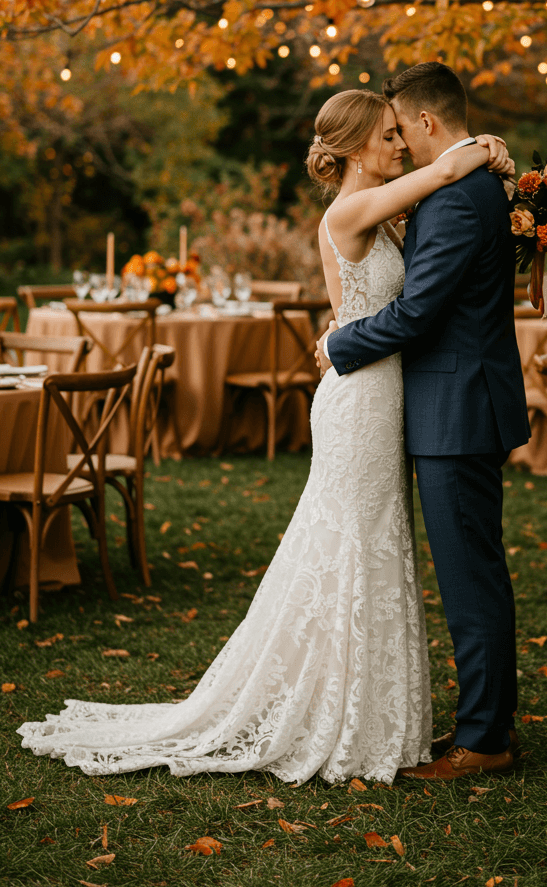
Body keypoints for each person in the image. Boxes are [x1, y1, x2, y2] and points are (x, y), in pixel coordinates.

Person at [17, 87, 513, 786]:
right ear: (352, 150)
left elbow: (433, 228)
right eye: (387, 135)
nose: (401, 144)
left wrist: (478, 158)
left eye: (403, 133)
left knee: (373, 544)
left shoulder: (390, 204)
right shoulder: (353, 207)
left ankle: (370, 709)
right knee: (349, 542)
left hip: (381, 387)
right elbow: (435, 178)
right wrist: (477, 149)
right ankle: (334, 708)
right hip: (360, 391)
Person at [318, 62, 530, 781]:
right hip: (448, 403)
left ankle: (485, 739)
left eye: (403, 128)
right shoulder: (459, 184)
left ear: (429, 122)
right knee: (473, 571)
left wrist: (337, 344)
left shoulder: (456, 195)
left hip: (456, 409)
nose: (403, 144)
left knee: (470, 578)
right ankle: (485, 722)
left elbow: (419, 312)